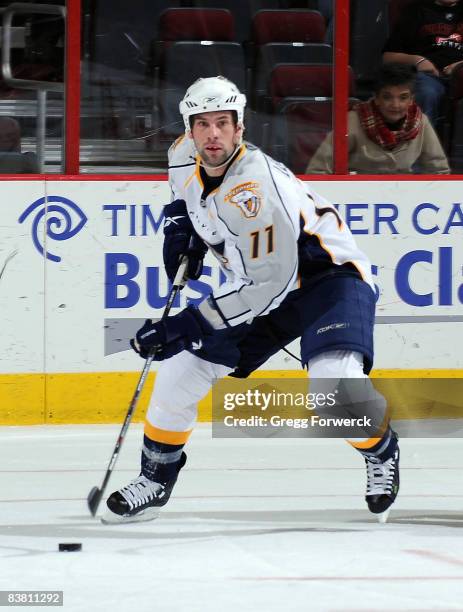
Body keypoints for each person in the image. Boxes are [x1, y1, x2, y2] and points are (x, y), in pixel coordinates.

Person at [103, 76, 400, 525]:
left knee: (333, 388)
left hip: (328, 279)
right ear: (189, 128)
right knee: (181, 372)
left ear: (240, 128)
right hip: (259, 279)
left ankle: (381, 450)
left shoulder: (257, 192)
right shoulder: (183, 155)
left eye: (223, 123)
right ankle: (157, 477)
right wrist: (182, 229)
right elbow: (186, 200)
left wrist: (186, 325)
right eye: (202, 124)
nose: (212, 134)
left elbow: (269, 289)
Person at [306, 63, 450, 174]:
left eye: (403, 97)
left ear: (412, 99)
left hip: (404, 198)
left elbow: (439, 171)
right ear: (376, 99)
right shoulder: (352, 121)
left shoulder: (421, 122)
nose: (396, 105)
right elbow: (318, 170)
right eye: (387, 97)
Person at [383, 0, 463, 127]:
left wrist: (459, 66)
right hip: (429, 76)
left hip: (460, 76)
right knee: (427, 91)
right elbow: (388, 57)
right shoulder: (416, 11)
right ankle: (422, 144)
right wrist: (418, 61)